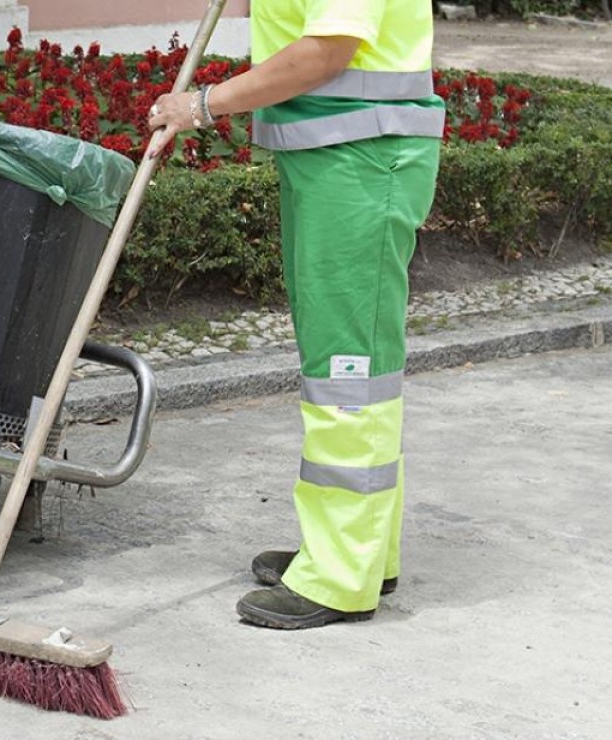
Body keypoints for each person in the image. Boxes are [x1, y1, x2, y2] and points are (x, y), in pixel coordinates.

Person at [149, 0, 444, 629]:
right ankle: (361, 553)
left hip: (361, 161)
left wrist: (202, 105)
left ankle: (340, 578)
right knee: (357, 370)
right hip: (339, 157)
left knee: (348, 373)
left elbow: (325, 52)